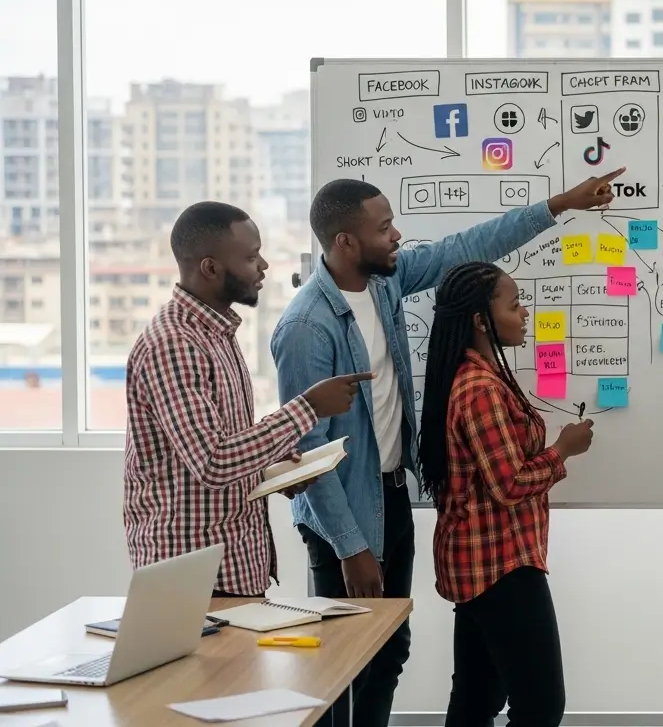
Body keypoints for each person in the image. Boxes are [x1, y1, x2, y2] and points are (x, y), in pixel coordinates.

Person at [270, 170, 621, 727]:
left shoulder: (384, 281)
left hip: (392, 497)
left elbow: (468, 248)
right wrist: (350, 545)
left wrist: (559, 205)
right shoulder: (307, 327)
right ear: (346, 242)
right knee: (339, 663)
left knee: (387, 653)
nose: (397, 236)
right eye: (384, 228)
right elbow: (308, 451)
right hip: (347, 519)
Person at [123, 201, 369, 598]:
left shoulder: (216, 335)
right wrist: (309, 408)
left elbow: (214, 452)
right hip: (195, 577)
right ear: (211, 267)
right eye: (251, 257)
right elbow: (213, 461)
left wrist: (271, 472)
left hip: (233, 567)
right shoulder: (174, 344)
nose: (265, 266)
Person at [418, 261, 594, 726]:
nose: (525, 313)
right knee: (539, 705)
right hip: (499, 564)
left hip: (485, 560)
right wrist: (562, 451)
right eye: (515, 305)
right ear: (481, 320)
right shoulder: (480, 389)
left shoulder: (478, 376)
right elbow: (508, 483)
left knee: (476, 697)